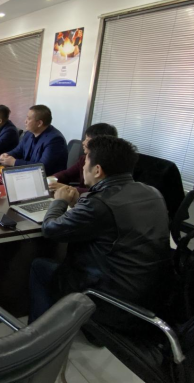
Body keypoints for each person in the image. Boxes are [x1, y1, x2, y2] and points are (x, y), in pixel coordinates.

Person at [28, 136, 172, 331]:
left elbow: (50, 229)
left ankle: (38, 335)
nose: (82, 165)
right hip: (148, 294)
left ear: (97, 170)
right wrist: (79, 203)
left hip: (107, 297)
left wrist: (59, 201)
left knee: (39, 267)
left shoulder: (99, 203)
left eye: (86, 160)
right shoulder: (152, 192)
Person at [50, 123, 118, 194]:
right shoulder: (83, 159)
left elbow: (102, 192)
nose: (83, 142)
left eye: (87, 140)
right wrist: (50, 180)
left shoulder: (110, 165)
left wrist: (68, 189)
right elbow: (66, 174)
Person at [0, 105, 68, 176]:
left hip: (47, 179)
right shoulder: (29, 133)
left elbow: (43, 167)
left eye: (29, 119)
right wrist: (7, 155)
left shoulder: (55, 140)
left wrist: (14, 162)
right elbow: (18, 151)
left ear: (39, 123)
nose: (25, 121)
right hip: (28, 174)